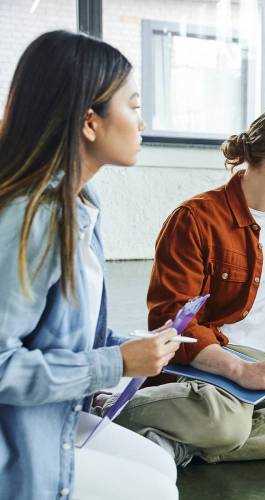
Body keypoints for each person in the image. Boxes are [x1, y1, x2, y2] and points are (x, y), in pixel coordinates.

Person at [103, 105, 265, 465]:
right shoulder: (194, 220)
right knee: (223, 423)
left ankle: (188, 440)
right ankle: (115, 408)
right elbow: (170, 321)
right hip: (208, 369)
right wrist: (239, 369)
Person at [0, 31, 180, 499]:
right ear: (89, 121)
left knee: (160, 465)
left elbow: (65, 336)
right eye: (134, 106)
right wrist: (114, 362)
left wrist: (135, 347)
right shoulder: (32, 217)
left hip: (47, 413)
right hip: (14, 442)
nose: (142, 122)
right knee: (156, 491)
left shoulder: (82, 201)